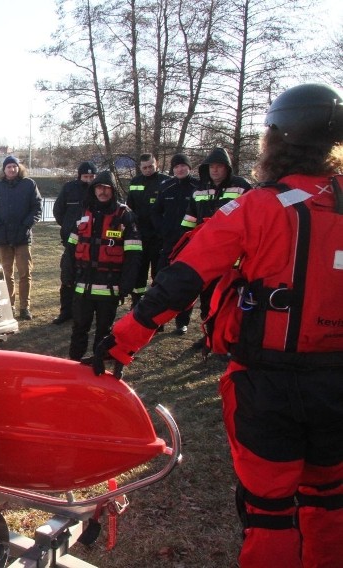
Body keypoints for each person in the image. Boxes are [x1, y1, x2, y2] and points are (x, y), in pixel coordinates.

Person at [93, 83, 343, 568]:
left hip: (269, 386)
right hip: (336, 384)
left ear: (276, 138)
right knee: (329, 501)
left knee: (270, 511)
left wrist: (121, 343)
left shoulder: (260, 205)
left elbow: (183, 278)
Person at [66, 171, 141, 361]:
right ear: (94, 190)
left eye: (107, 188)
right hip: (83, 284)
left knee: (104, 330)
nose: (102, 192)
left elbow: (133, 254)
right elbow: (71, 246)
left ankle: (97, 364)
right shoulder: (84, 213)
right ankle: (73, 364)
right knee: (79, 327)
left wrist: (127, 284)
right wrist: (67, 272)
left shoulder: (124, 216)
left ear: (113, 191)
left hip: (109, 286)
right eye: (99, 188)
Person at [180, 147, 253, 342]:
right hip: (206, 252)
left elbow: (253, 218)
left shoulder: (242, 187)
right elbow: (189, 221)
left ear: (227, 168)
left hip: (234, 256)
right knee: (207, 297)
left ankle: (228, 338)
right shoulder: (201, 190)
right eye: (212, 167)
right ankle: (209, 336)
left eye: (219, 166)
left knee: (230, 297)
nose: (215, 170)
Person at [0, 156, 43, 321]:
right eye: (8, 167)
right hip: (2, 237)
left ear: (19, 168)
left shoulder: (29, 184)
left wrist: (26, 225)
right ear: (4, 169)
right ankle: (9, 306)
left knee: (25, 273)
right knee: (6, 273)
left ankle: (25, 307)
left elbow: (37, 207)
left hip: (23, 236)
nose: (11, 169)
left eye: (14, 166)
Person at [150, 153, 199, 334]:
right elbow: (155, 212)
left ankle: (182, 321)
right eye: (176, 166)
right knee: (160, 280)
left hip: (189, 243)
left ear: (189, 168)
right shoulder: (166, 186)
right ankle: (158, 320)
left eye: (183, 166)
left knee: (187, 283)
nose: (180, 169)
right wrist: (162, 230)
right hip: (168, 242)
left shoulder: (198, 187)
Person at [52, 161, 97, 325]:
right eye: (85, 176)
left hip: (92, 244)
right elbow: (58, 210)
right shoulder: (69, 188)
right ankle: (66, 312)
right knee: (67, 274)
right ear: (79, 176)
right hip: (71, 240)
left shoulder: (100, 190)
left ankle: (83, 313)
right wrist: (67, 226)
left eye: (92, 176)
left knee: (87, 278)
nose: (89, 180)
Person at [125, 153, 170, 307]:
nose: (148, 170)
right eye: (144, 167)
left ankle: (156, 303)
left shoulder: (166, 181)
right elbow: (129, 208)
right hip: (140, 236)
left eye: (151, 166)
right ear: (140, 168)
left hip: (158, 237)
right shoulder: (135, 181)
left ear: (156, 164)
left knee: (158, 273)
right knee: (139, 272)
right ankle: (136, 303)